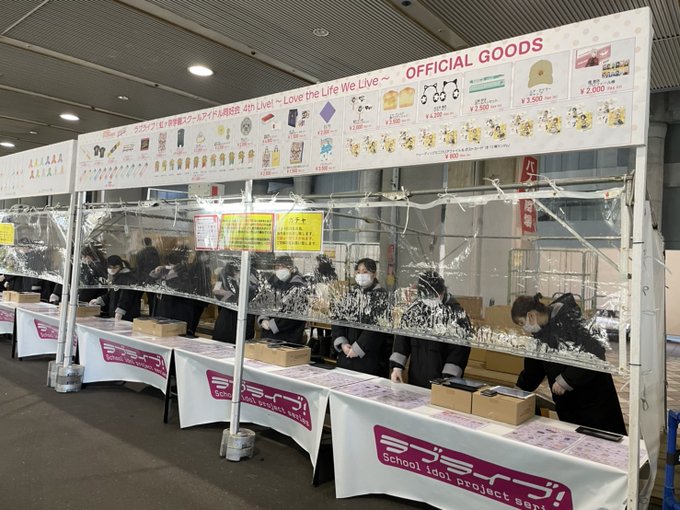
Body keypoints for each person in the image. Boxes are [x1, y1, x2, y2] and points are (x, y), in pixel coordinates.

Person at [511, 293, 626, 435]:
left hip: (593, 401)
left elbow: (595, 353)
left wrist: (566, 379)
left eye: (522, 323)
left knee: (601, 440)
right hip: (569, 405)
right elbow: (534, 368)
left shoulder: (570, 320)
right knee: (574, 441)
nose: (524, 328)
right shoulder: (541, 333)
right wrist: (520, 388)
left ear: (531, 316)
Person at [390, 271, 472, 388]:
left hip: (442, 381)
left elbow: (459, 351)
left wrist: (449, 378)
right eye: (426, 296)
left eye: (433, 296)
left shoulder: (456, 314)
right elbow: (402, 340)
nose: (430, 300)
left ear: (442, 292)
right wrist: (397, 368)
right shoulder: (415, 311)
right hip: (415, 377)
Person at [331, 258, 392, 376]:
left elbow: (376, 326)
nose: (361, 275)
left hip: (370, 358)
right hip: (346, 354)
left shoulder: (381, 296)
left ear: (374, 274)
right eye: (358, 272)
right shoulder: (351, 294)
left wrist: (359, 347)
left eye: (365, 272)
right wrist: (342, 343)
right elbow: (338, 317)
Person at [257, 254, 308, 344]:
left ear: (290, 268)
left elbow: (293, 315)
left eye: (281, 267)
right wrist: (263, 319)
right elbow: (263, 302)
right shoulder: (273, 283)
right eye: (276, 267)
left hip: (288, 337)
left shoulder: (298, 286)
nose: (278, 270)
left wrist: (273, 325)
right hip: (268, 335)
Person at [149, 250, 196, 334]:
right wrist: (157, 272)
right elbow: (151, 281)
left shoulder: (184, 274)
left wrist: (169, 276)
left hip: (175, 316)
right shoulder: (166, 271)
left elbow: (181, 289)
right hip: (163, 313)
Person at [212, 261, 256, 343]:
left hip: (244, 318)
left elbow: (251, 296)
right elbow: (216, 290)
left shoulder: (252, 275)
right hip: (226, 317)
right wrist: (228, 294)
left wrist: (228, 294)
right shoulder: (224, 273)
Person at [90, 255, 141, 321]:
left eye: (115, 267)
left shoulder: (126, 277)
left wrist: (120, 310)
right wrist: (99, 300)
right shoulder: (117, 277)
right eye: (110, 267)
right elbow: (112, 294)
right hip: (119, 314)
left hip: (126, 316)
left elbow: (126, 295)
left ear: (120, 266)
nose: (112, 270)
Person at [135, 237, 160, 313]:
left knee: (137, 297)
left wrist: (138, 279)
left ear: (142, 244)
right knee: (152, 299)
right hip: (153, 278)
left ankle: (136, 313)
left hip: (143, 278)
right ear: (151, 242)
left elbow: (138, 267)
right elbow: (158, 265)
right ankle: (152, 314)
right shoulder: (156, 253)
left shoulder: (141, 253)